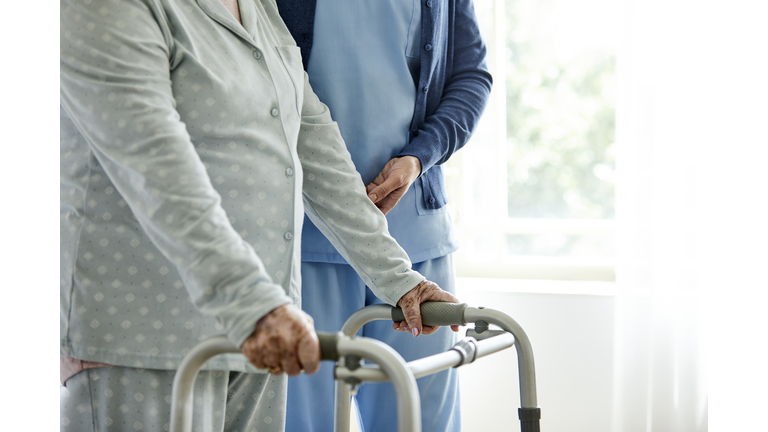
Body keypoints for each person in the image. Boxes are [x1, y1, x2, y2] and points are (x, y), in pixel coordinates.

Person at [59, 0, 459, 431]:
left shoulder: (256, 7)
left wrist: (400, 280)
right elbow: (157, 172)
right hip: (148, 341)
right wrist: (257, 307)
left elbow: (316, 150)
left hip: (255, 339)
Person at [275, 1, 493, 431]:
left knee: (420, 422)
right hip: (304, 242)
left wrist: (419, 156)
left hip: (415, 242)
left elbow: (471, 77)